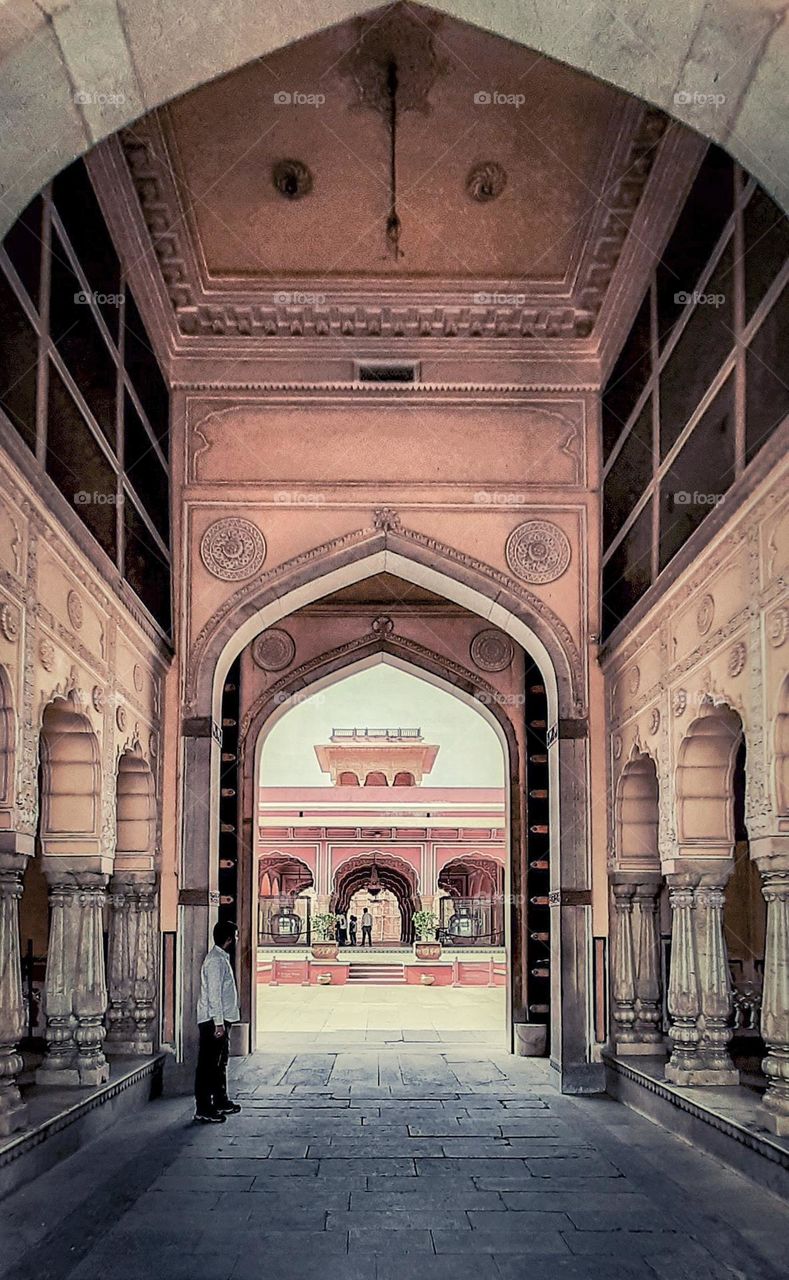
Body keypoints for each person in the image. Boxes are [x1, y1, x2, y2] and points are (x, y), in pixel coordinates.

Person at [194, 919, 242, 1123]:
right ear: (229, 939)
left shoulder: (221, 958)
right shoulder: (215, 961)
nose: (238, 939)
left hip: (220, 1019)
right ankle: (204, 1108)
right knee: (208, 1065)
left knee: (219, 1063)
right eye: (236, 936)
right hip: (213, 1022)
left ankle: (220, 1100)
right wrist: (219, 1023)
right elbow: (214, 995)